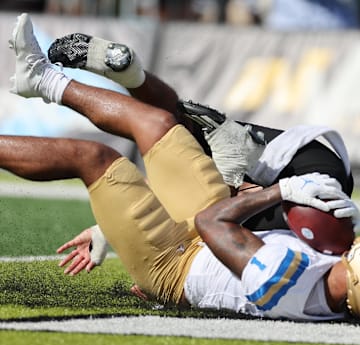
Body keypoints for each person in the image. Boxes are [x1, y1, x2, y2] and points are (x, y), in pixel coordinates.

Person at [8, 13, 360, 321]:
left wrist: (281, 190)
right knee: (156, 123)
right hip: (213, 228)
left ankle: (129, 78)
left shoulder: (290, 285)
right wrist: (107, 229)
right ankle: (41, 78)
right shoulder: (332, 262)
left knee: (93, 158)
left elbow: (213, 223)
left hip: (172, 264)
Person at [47, 30, 354, 231]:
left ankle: (132, 75)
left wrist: (106, 232)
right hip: (302, 201)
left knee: (179, 127)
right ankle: (50, 83)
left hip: (317, 163)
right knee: (206, 214)